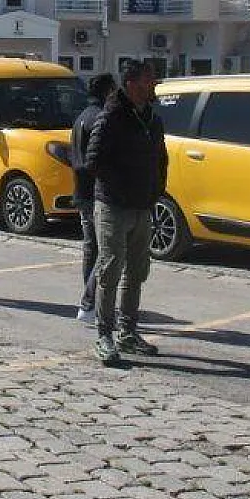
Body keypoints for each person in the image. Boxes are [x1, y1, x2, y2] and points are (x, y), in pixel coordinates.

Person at [86, 60, 167, 366]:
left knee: (137, 272)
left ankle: (128, 332)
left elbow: (161, 158)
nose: (153, 86)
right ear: (131, 84)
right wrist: (121, 186)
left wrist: (155, 189)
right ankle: (104, 335)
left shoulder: (152, 120)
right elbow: (93, 162)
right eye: (148, 81)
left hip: (142, 206)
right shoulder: (111, 117)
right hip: (113, 205)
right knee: (110, 270)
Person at [70, 73, 117, 324]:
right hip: (94, 192)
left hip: (82, 190)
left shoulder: (81, 116)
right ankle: (91, 300)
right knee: (103, 250)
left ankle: (89, 296)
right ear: (108, 91)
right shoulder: (98, 117)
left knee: (92, 248)